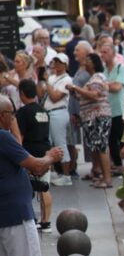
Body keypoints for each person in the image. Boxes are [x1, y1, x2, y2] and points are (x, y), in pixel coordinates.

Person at [0, 95, 63, 256]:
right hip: (15, 214)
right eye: (12, 114)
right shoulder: (3, 137)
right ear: (4, 116)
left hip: (3, 212)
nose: (14, 118)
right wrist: (51, 156)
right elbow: (36, 166)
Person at [67, 53, 113, 189]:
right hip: (91, 117)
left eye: (87, 60)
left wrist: (75, 88)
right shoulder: (91, 79)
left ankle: (107, 178)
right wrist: (74, 93)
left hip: (99, 116)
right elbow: (84, 97)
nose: (84, 62)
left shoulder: (98, 77)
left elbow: (94, 95)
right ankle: (99, 174)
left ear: (93, 63)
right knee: (96, 146)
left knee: (102, 146)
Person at [16, 79, 53, 233]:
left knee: (30, 187)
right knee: (44, 186)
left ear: (22, 94)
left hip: (30, 152)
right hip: (45, 150)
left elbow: (20, 136)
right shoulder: (43, 110)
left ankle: (32, 218)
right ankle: (46, 221)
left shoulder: (23, 112)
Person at [42, 54, 73, 187]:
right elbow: (41, 94)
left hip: (59, 112)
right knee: (49, 143)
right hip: (48, 112)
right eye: (56, 61)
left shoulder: (67, 79)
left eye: (60, 62)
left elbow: (55, 97)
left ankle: (66, 175)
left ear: (65, 65)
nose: (57, 64)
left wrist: (47, 81)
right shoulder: (53, 77)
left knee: (60, 143)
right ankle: (53, 171)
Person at [102, 43, 124, 174]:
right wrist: (109, 85)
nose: (103, 55)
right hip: (106, 110)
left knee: (122, 138)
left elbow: (117, 87)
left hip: (119, 109)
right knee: (111, 139)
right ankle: (118, 165)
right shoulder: (103, 70)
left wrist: (105, 85)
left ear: (113, 53)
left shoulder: (120, 68)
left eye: (105, 52)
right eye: (102, 52)